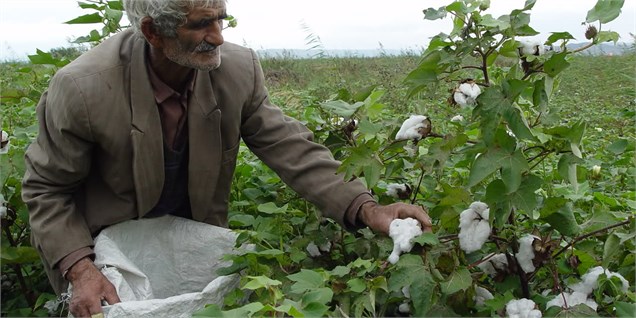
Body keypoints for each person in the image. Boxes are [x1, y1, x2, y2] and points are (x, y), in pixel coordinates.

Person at [22, 0, 432, 316]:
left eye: (221, 19)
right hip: (107, 249)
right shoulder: (83, 88)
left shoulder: (236, 70)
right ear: (152, 31)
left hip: (189, 234)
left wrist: (367, 208)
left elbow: (291, 147)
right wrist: (80, 269)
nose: (217, 36)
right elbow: (47, 190)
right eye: (200, 24)